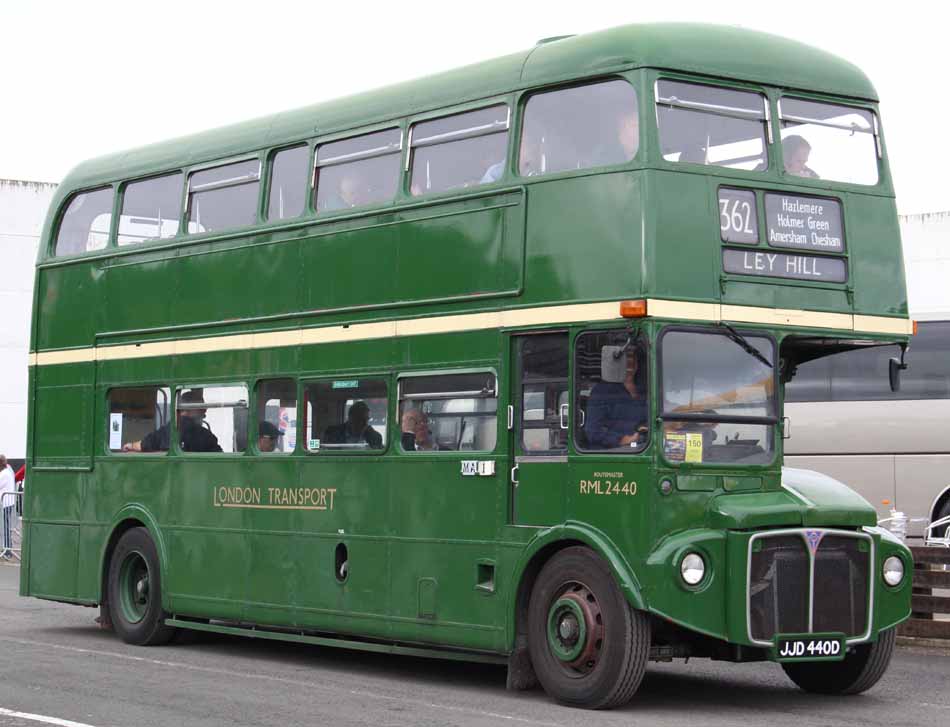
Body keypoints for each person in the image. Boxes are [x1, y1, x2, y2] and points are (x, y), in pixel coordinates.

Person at [585, 347, 648, 449]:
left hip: (642, 451)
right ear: (616, 362)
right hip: (612, 457)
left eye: (632, 357)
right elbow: (593, 431)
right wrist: (622, 440)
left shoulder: (644, 391)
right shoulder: (602, 391)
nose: (630, 361)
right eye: (625, 357)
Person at [123, 389, 222, 453]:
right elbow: (219, 456)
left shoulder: (168, 429)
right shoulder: (205, 435)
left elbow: (145, 444)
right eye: (201, 407)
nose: (205, 410)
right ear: (187, 408)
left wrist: (130, 445)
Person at [0, 455, 15, 559]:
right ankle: (6, 548)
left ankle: (7, 551)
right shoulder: (7, 472)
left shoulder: (4, 474)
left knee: (5, 527)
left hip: (5, 504)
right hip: (8, 503)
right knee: (5, 527)